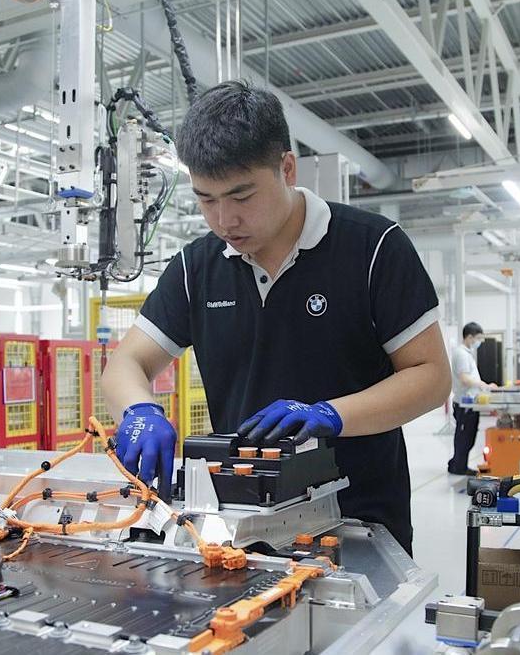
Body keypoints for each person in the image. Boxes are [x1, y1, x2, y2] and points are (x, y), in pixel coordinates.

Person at [99, 81, 453, 556]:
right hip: (238, 529)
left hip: (360, 524)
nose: (224, 220)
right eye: (207, 199)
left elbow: (431, 376)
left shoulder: (373, 249)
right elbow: (126, 364)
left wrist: (331, 415)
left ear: (286, 168)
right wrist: (139, 411)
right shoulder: (196, 267)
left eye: (242, 196)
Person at [447, 322, 498, 475]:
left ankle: (456, 463)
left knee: (468, 436)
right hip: (464, 404)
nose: (480, 342)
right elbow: (464, 378)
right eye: (478, 339)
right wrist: (485, 385)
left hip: (469, 403)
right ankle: (458, 467)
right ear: (469, 337)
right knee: (464, 437)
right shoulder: (461, 354)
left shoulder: (466, 353)